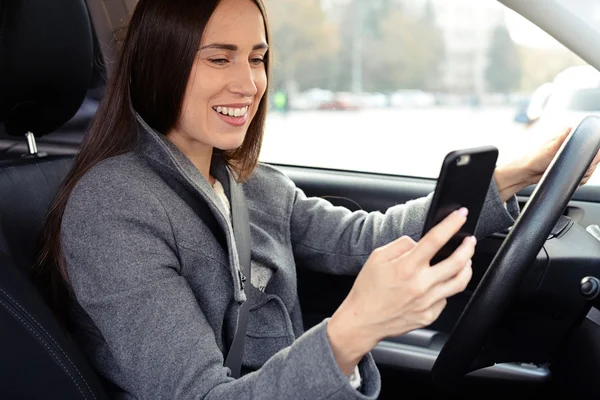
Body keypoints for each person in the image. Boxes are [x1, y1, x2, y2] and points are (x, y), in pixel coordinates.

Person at [33, 0, 600, 399]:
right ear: (162, 61)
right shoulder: (111, 206)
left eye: (256, 57)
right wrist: (353, 329)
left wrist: (511, 175)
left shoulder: (252, 183)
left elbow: (365, 238)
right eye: (218, 57)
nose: (249, 82)